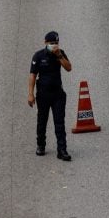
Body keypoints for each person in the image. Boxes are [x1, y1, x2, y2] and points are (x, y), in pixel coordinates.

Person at [27, 31, 72, 161]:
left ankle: (62, 150)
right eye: (52, 43)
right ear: (45, 43)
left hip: (57, 94)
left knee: (59, 123)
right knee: (42, 121)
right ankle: (41, 145)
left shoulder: (60, 53)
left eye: (56, 43)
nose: (54, 45)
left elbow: (69, 68)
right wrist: (30, 94)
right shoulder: (38, 56)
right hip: (43, 94)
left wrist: (59, 56)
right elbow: (32, 75)